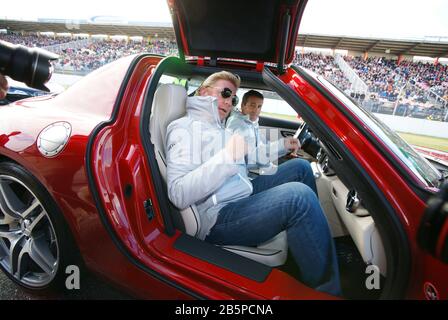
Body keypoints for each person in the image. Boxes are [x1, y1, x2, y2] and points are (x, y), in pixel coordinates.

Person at [165, 71, 341, 296]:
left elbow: (248, 157)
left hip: (240, 192)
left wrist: (283, 145)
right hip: (218, 216)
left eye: (233, 98)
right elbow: (178, 193)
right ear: (202, 91)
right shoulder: (183, 128)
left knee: (301, 168)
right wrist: (227, 157)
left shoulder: (218, 127)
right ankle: (326, 292)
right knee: (299, 198)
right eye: (225, 93)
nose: (229, 102)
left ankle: (309, 248)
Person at [226, 89, 297, 176]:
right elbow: (251, 158)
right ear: (243, 105)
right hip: (242, 177)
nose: (256, 110)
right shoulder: (238, 125)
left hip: (255, 170)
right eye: (252, 105)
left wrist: (285, 149)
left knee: (298, 165)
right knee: (300, 167)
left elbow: (263, 145)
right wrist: (282, 145)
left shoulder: (251, 123)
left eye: (259, 106)